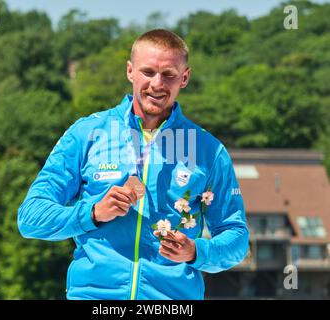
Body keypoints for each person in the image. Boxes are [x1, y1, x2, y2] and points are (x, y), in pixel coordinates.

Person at [17, 29, 249, 300]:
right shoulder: (87, 134)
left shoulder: (209, 151)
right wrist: (92, 213)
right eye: (148, 72)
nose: (157, 84)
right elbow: (30, 217)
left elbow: (236, 237)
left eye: (169, 75)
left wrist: (197, 252)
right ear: (130, 71)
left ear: (184, 78)